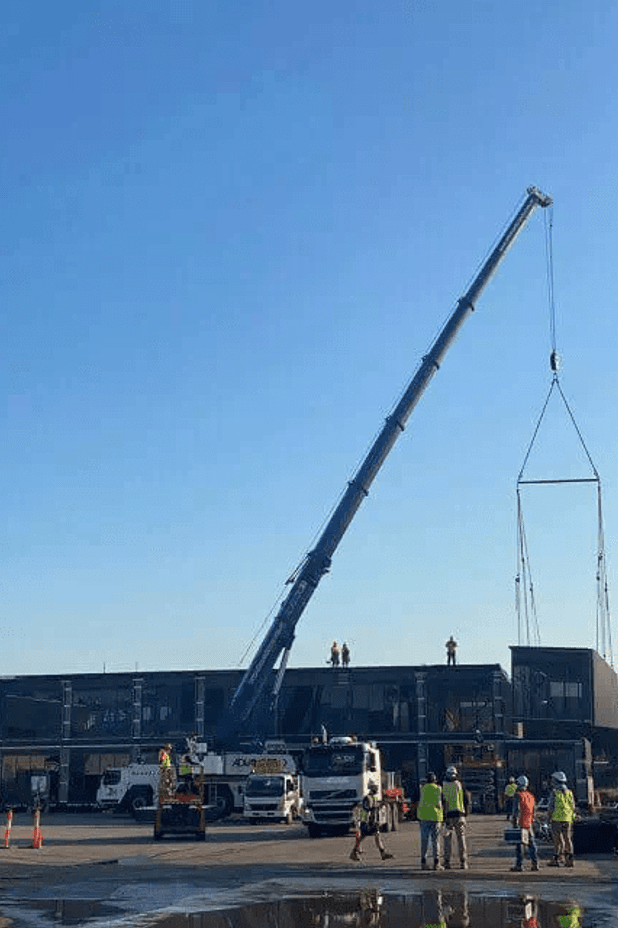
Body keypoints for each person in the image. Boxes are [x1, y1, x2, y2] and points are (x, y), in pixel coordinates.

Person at [349, 782, 394, 861]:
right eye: (375, 788)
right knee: (362, 837)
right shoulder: (367, 798)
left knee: (376, 835)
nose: (377, 790)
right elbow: (367, 809)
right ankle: (354, 852)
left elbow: (375, 806)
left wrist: (381, 804)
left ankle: (382, 852)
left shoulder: (373, 798)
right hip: (367, 821)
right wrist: (363, 821)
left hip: (373, 821)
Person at [442, 764, 469, 870]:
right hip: (459, 815)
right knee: (461, 839)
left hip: (448, 816)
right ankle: (463, 862)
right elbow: (466, 799)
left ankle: (447, 862)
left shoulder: (443, 785)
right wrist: (466, 813)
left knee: (447, 840)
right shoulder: (460, 784)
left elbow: (442, 801)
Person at [510, 775, 539, 872]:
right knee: (532, 844)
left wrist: (514, 821)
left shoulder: (518, 795)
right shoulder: (531, 795)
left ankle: (519, 865)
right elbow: (534, 810)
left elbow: (516, 810)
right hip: (529, 822)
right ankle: (535, 863)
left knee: (519, 846)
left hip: (521, 823)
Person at [547, 770, 576, 867]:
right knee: (568, 838)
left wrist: (549, 818)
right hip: (567, 819)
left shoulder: (555, 792)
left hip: (557, 819)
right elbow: (573, 806)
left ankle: (557, 859)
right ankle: (570, 859)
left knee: (557, 840)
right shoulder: (569, 792)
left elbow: (551, 807)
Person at [416, 772, 443, 870]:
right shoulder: (438, 788)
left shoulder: (422, 788)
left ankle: (423, 862)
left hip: (424, 817)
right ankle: (436, 863)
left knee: (424, 840)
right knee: (435, 841)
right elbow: (439, 803)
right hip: (435, 817)